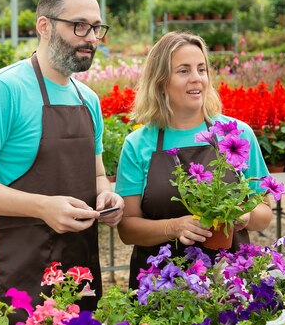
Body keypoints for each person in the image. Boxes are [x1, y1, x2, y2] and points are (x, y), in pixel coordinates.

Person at [0, 0, 124, 317]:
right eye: (79, 26)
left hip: (78, 264)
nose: (91, 38)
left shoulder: (88, 100)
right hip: (16, 262)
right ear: (44, 26)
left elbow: (97, 174)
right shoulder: (2, 91)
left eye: (97, 28)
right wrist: (42, 207)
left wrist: (107, 196)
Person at [114, 31, 272, 290]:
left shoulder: (237, 134)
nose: (196, 78)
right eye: (184, 70)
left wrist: (243, 216)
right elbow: (127, 229)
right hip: (160, 285)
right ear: (161, 81)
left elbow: (265, 214)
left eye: (201, 69)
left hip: (227, 281)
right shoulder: (138, 144)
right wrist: (174, 227)